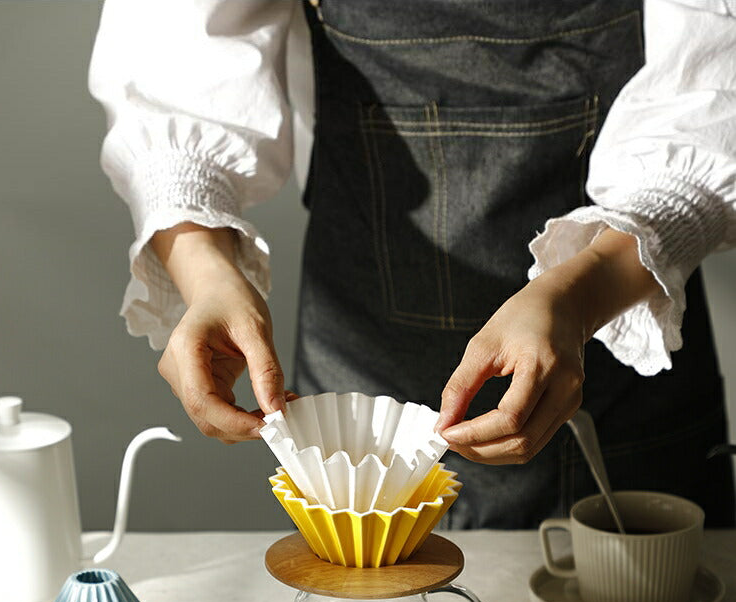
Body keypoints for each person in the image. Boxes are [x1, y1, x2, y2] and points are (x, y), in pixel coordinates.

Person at [89, 0, 736, 528]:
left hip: (617, 339)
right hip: (359, 362)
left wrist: (579, 296)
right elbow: (178, 65)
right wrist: (207, 274)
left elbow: (716, 86)